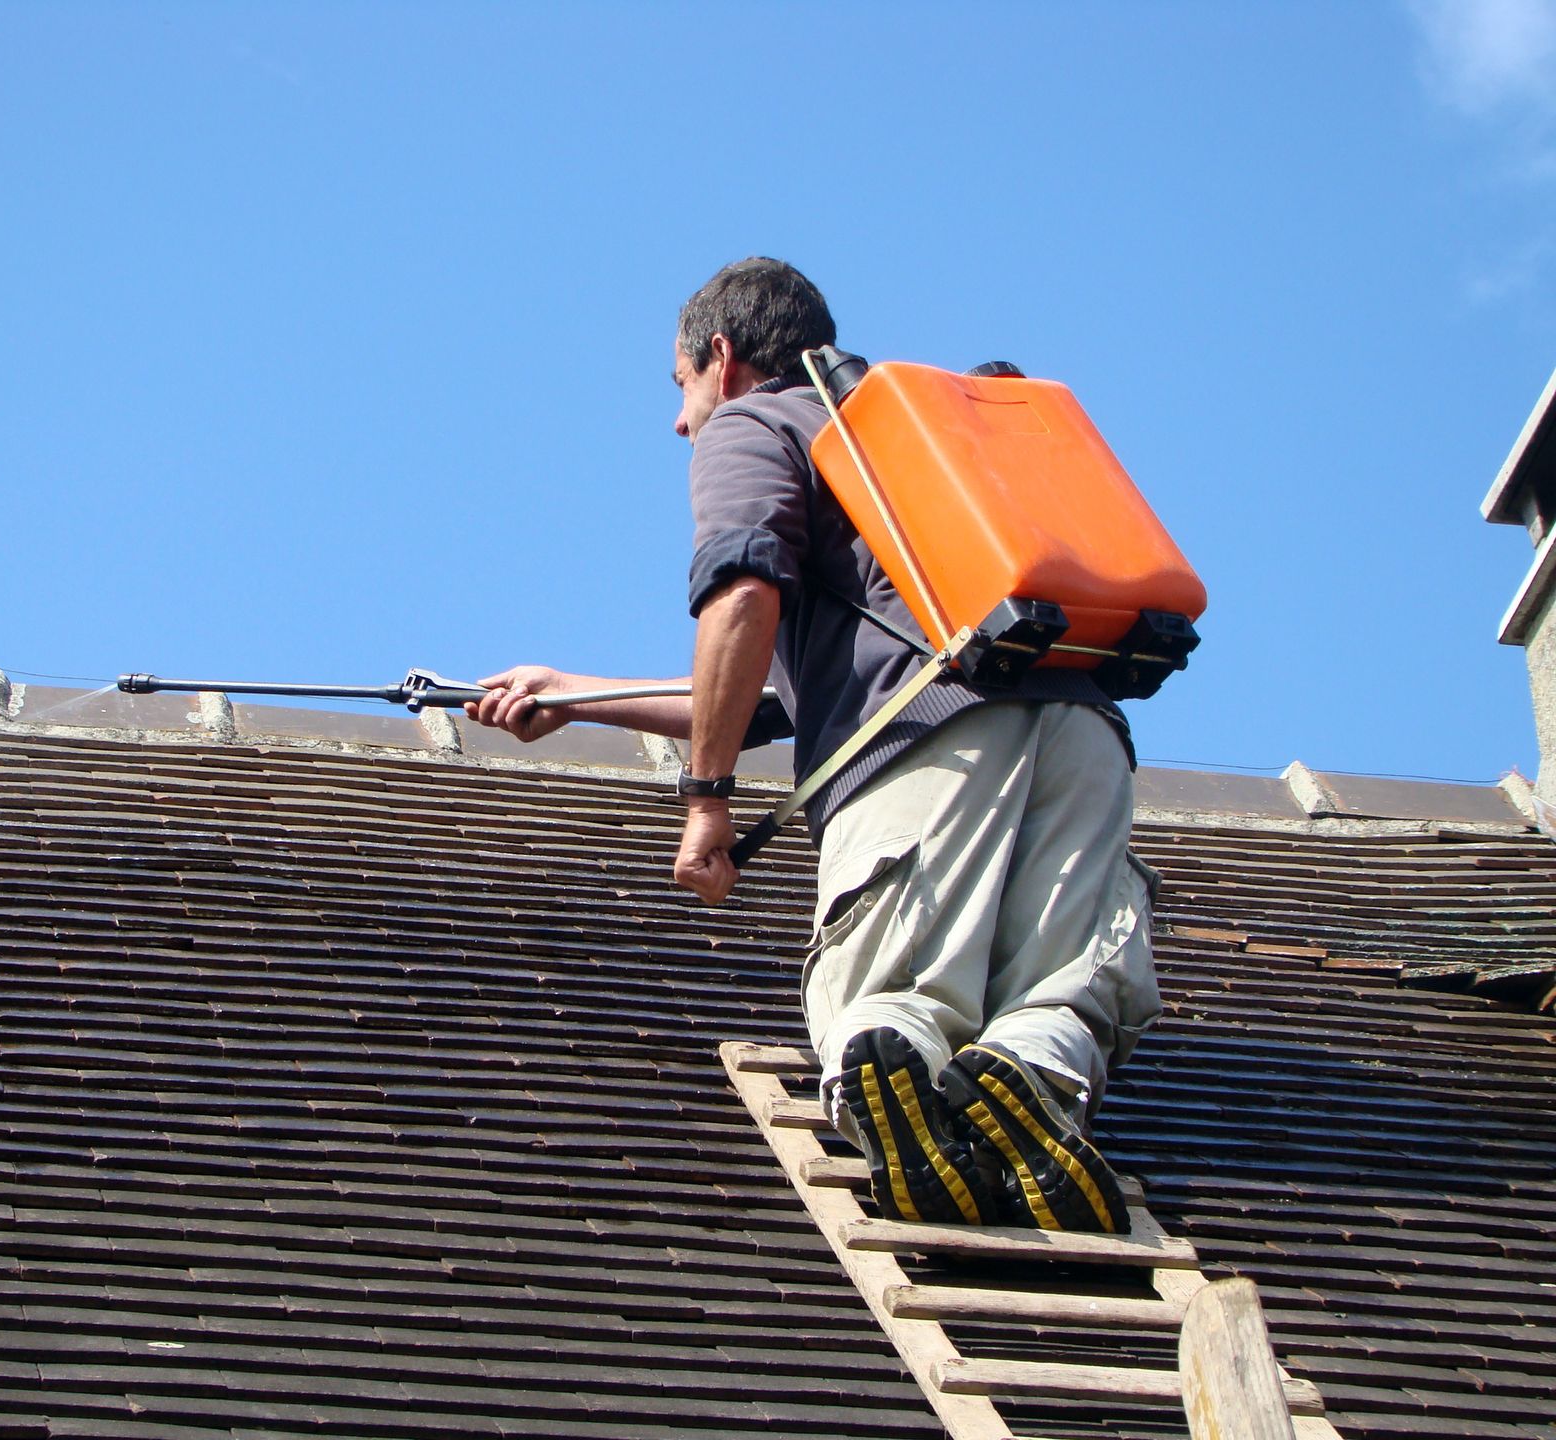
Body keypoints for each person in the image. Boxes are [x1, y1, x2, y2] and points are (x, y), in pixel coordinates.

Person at [467, 258, 1161, 1234]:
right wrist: (576, 697)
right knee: (1058, 993)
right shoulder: (908, 452)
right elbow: (771, 694)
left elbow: (745, 598)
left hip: (929, 752)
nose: (681, 420)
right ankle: (1029, 1092)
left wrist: (707, 802)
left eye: (681, 388)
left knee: (887, 998)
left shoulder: (757, 423)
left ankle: (905, 1078)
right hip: (1083, 730)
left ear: (722, 356)